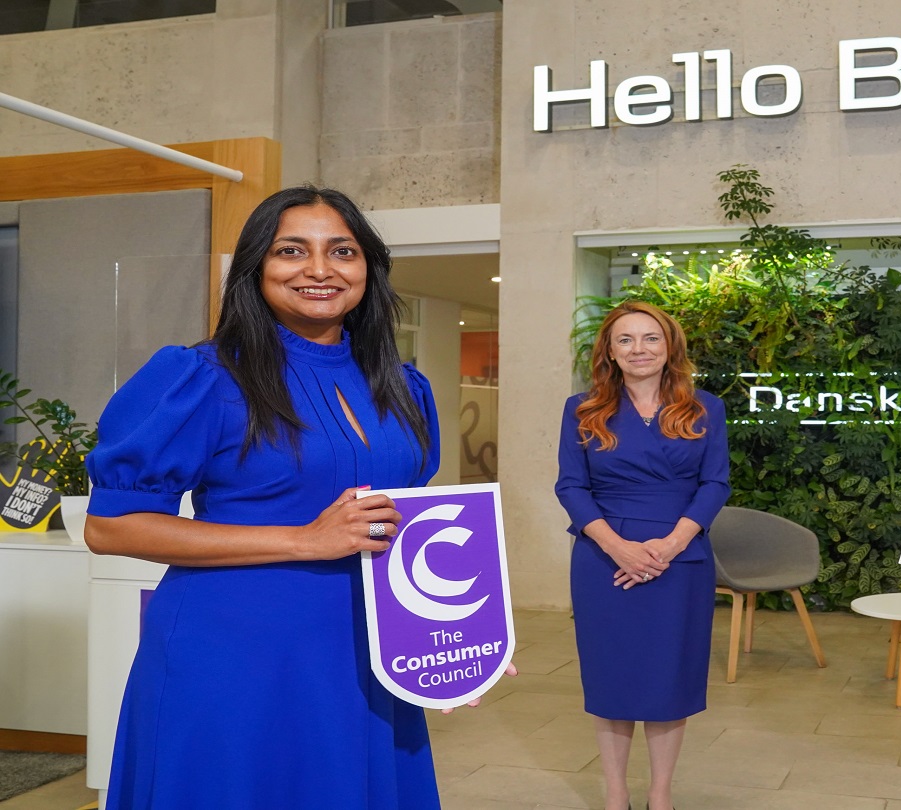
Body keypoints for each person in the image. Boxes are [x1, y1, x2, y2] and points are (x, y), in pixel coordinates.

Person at [85, 185, 504, 809]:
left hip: (367, 653)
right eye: (291, 250)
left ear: (369, 269)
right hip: (235, 653)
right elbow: (112, 528)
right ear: (256, 268)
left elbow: (400, 522)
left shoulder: (402, 387)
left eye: (342, 250)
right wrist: (305, 540)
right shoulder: (201, 377)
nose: (319, 269)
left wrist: (457, 641)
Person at [555, 301, 730, 810]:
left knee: (668, 680)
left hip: (682, 559)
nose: (639, 349)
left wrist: (672, 545)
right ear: (609, 351)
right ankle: (614, 796)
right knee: (612, 678)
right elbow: (571, 486)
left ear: (669, 346)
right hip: (604, 559)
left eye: (650, 338)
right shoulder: (581, 408)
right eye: (625, 340)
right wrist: (617, 548)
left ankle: (660, 796)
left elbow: (715, 482)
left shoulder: (704, 407)